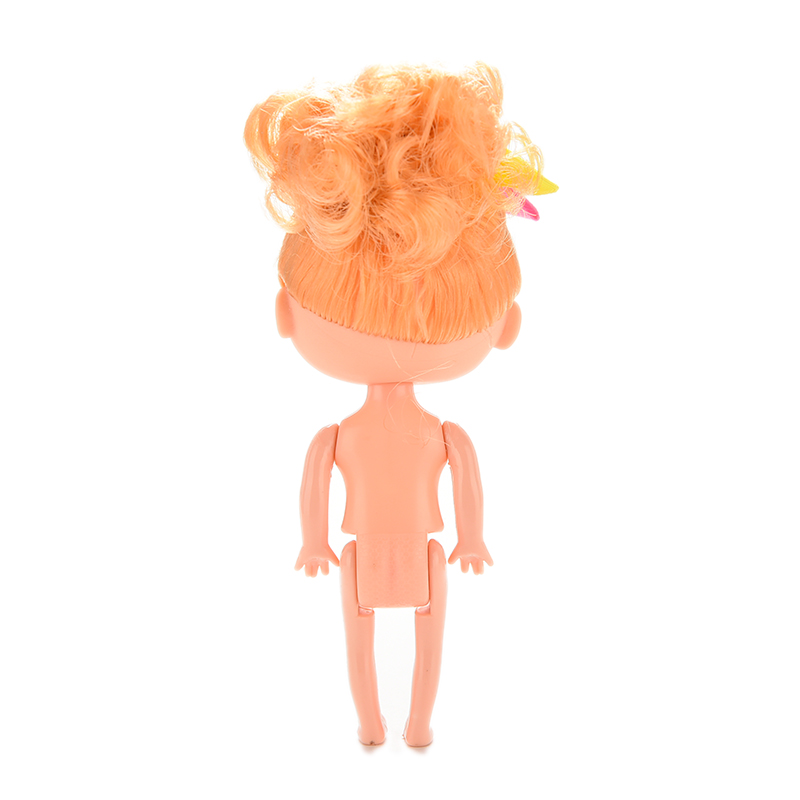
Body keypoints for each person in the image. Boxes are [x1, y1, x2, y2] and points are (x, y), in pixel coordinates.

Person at [244, 62, 555, 746]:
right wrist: (314, 540)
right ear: (507, 325)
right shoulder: (363, 438)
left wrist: (470, 537)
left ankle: (414, 722)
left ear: (285, 314)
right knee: (368, 641)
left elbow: (464, 487)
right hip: (369, 551)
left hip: (419, 551)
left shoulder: (422, 437)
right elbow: (317, 487)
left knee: (417, 638)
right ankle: (374, 722)